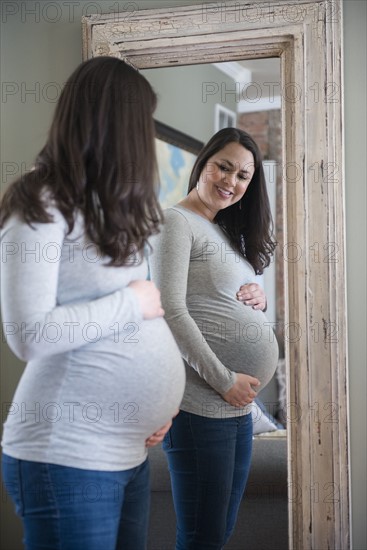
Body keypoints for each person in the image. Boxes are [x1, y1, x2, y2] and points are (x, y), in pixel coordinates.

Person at [0, 56, 185, 550]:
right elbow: (29, 334)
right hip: (66, 452)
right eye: (142, 123)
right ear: (117, 123)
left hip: (127, 451)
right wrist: (131, 302)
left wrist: (152, 412)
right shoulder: (39, 203)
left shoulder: (112, 210)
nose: (146, 138)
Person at [149, 127, 279, 549]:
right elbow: (171, 311)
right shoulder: (176, 221)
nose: (231, 181)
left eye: (243, 175)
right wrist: (225, 380)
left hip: (235, 408)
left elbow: (217, 299)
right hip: (201, 405)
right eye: (223, 166)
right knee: (202, 537)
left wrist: (257, 299)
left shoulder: (221, 230)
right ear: (203, 163)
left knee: (218, 533)